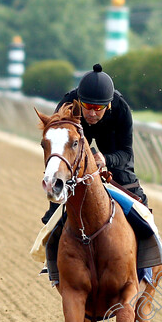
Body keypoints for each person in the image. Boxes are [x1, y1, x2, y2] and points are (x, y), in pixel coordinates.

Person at [40, 63, 148, 224]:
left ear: (108, 105)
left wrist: (106, 159)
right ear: (79, 101)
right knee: (59, 180)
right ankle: (50, 236)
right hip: (75, 138)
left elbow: (126, 153)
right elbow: (57, 144)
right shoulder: (68, 103)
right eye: (87, 106)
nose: (92, 113)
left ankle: (151, 241)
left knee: (134, 192)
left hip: (110, 140)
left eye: (98, 108)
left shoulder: (121, 109)